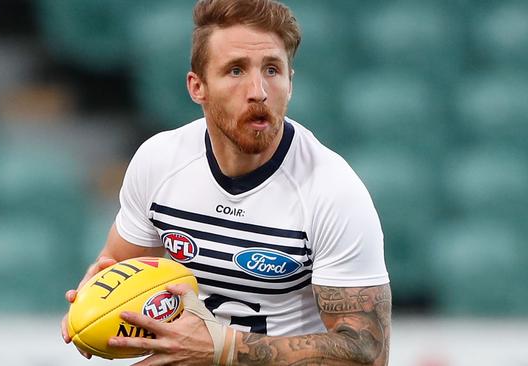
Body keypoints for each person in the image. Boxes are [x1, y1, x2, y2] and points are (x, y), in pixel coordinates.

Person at [61, 0, 391, 364]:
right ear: (197, 87)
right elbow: (118, 268)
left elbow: (368, 353)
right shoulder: (159, 163)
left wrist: (223, 349)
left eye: (272, 70)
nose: (258, 91)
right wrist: (93, 310)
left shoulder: (333, 192)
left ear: (290, 82)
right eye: (236, 71)